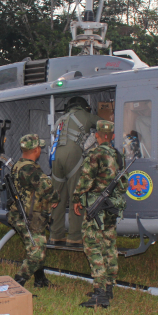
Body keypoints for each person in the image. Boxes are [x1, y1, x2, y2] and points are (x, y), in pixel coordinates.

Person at [73, 120, 128, 308]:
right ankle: (109, 286)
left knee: (92, 245)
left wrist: (77, 199)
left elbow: (86, 180)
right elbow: (124, 184)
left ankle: (99, 292)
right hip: (112, 206)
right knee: (109, 244)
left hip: (97, 206)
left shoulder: (95, 154)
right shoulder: (118, 156)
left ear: (97, 136)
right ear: (112, 136)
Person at [9, 134, 60, 287]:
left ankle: (40, 280)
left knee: (39, 245)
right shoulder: (31, 170)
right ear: (36, 149)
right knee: (37, 252)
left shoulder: (18, 165)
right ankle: (17, 283)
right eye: (40, 147)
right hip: (29, 216)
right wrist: (55, 198)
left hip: (25, 214)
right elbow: (48, 190)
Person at [50, 96, 100, 247]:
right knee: (76, 196)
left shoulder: (60, 119)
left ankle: (55, 235)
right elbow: (105, 124)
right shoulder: (85, 116)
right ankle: (74, 236)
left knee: (57, 198)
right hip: (73, 157)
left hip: (56, 158)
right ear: (83, 107)